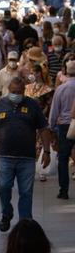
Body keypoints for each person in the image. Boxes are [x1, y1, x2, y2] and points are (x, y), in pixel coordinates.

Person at [0, 77, 53, 232]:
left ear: (24, 91)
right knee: (3, 187)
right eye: (13, 92)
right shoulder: (0, 105)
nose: (16, 94)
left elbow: (43, 129)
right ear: (8, 91)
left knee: (26, 192)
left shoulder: (32, 105)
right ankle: (6, 213)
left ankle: (25, 223)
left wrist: (47, 151)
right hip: (4, 156)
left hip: (27, 158)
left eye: (19, 92)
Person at [48, 61, 75, 199]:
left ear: (65, 72)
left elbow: (54, 110)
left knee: (63, 158)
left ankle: (63, 190)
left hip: (65, 126)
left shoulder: (61, 89)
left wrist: (51, 127)